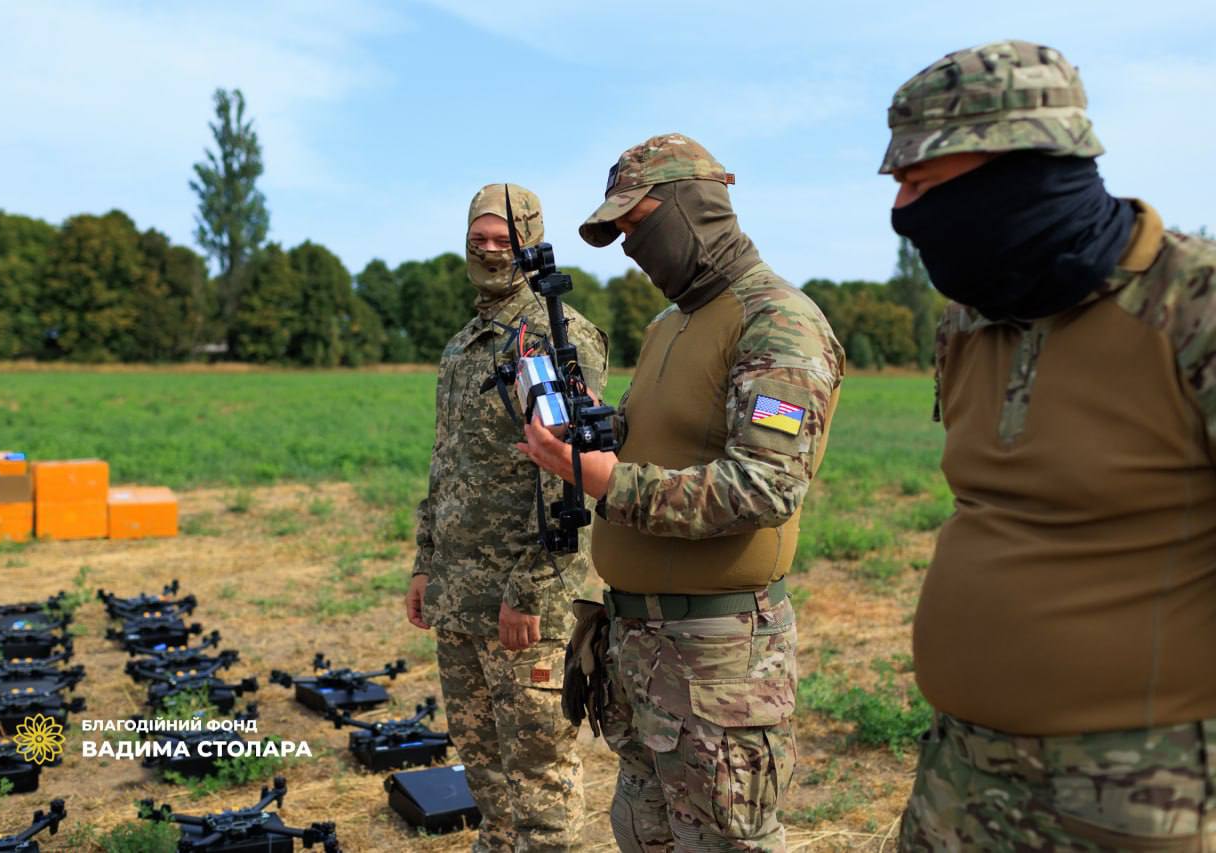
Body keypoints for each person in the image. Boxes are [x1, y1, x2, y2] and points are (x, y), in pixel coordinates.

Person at [879, 41, 1216, 850]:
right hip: (959, 769)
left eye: (924, 175)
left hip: (1134, 790)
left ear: (1024, 163)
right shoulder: (967, 316)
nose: (902, 205)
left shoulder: (1191, 305)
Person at [518, 133, 845, 852]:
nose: (633, 250)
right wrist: (589, 426)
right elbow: (654, 440)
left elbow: (763, 487)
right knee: (646, 834)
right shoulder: (670, 325)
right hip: (637, 645)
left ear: (698, 207)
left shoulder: (777, 320)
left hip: (718, 658)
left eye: (640, 225)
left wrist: (600, 478)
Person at [406, 182, 609, 852]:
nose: (489, 252)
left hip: (525, 605)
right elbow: (446, 465)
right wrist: (425, 564)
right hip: (460, 596)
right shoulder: (463, 346)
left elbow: (568, 474)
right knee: (485, 769)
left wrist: (528, 589)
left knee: (539, 775)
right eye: (479, 240)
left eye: (503, 241)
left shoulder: (553, 336)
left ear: (528, 242)